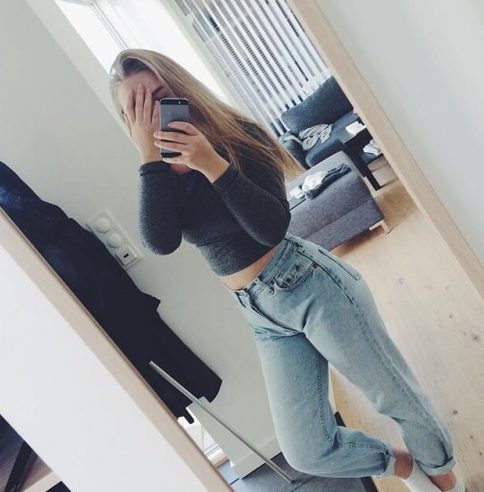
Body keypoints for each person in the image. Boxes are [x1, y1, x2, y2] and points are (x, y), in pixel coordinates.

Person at [109, 49, 464, 492]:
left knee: (395, 396)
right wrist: (148, 158)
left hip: (309, 284)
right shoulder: (157, 175)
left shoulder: (238, 136)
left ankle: (448, 480)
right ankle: (404, 467)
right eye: (135, 107)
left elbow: (271, 227)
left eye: (158, 96)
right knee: (305, 449)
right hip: (259, 313)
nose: (150, 113)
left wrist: (210, 163)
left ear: (180, 90)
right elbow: (159, 242)